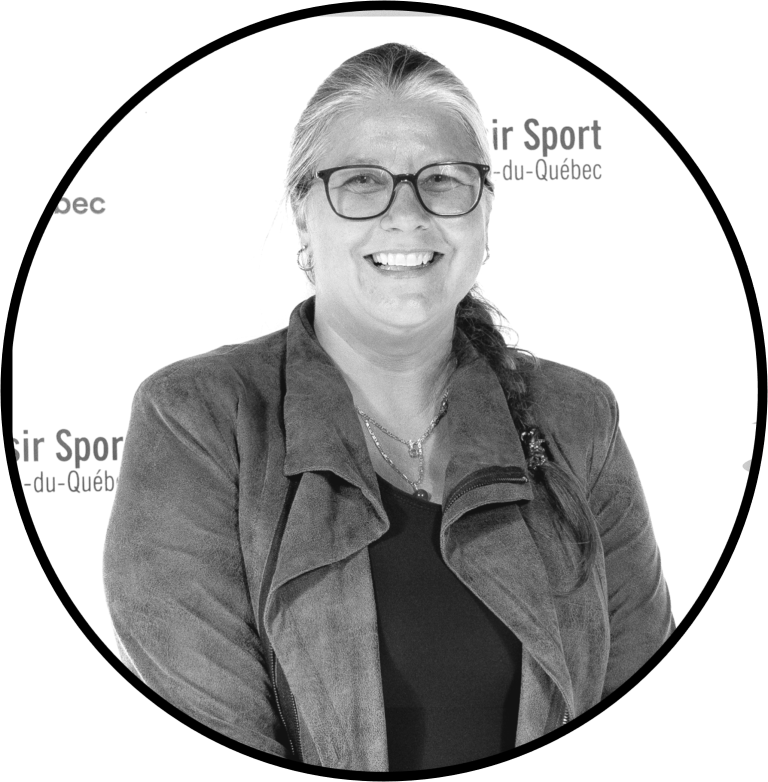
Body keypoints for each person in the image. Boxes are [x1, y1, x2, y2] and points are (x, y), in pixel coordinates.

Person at [104, 42, 674, 771]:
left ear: (484, 213)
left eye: (442, 180)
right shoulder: (199, 421)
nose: (407, 214)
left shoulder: (577, 418)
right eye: (363, 181)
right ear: (303, 215)